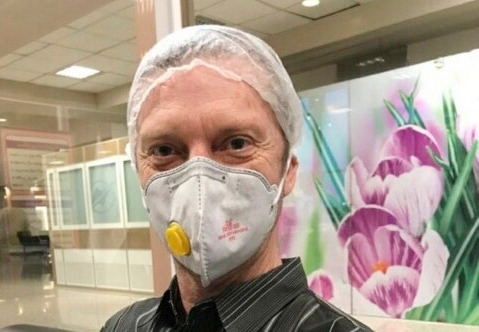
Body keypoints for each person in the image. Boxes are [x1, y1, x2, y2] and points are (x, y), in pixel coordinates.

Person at [102, 25, 373, 332]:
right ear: (139, 171)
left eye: (237, 144)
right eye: (165, 150)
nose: (199, 179)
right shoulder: (123, 326)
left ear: (289, 171)